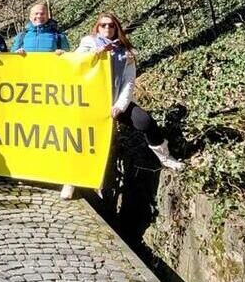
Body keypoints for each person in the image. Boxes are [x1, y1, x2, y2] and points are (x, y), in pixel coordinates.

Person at [60, 12, 183, 200]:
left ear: (117, 27)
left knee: (145, 122)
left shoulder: (126, 52)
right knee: (81, 139)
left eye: (111, 25)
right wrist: (94, 54)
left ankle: (165, 157)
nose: (107, 28)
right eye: (103, 25)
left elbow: (129, 81)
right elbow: (75, 61)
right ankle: (71, 180)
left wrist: (120, 105)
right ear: (97, 27)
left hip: (115, 100)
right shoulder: (89, 43)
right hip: (89, 103)